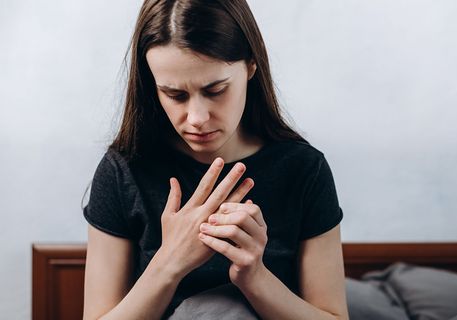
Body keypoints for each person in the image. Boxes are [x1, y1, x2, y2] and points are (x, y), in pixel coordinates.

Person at [82, 0, 348, 319]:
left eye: (216, 90)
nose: (196, 118)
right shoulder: (124, 169)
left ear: (251, 65)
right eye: (174, 95)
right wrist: (170, 263)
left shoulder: (304, 168)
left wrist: (254, 277)